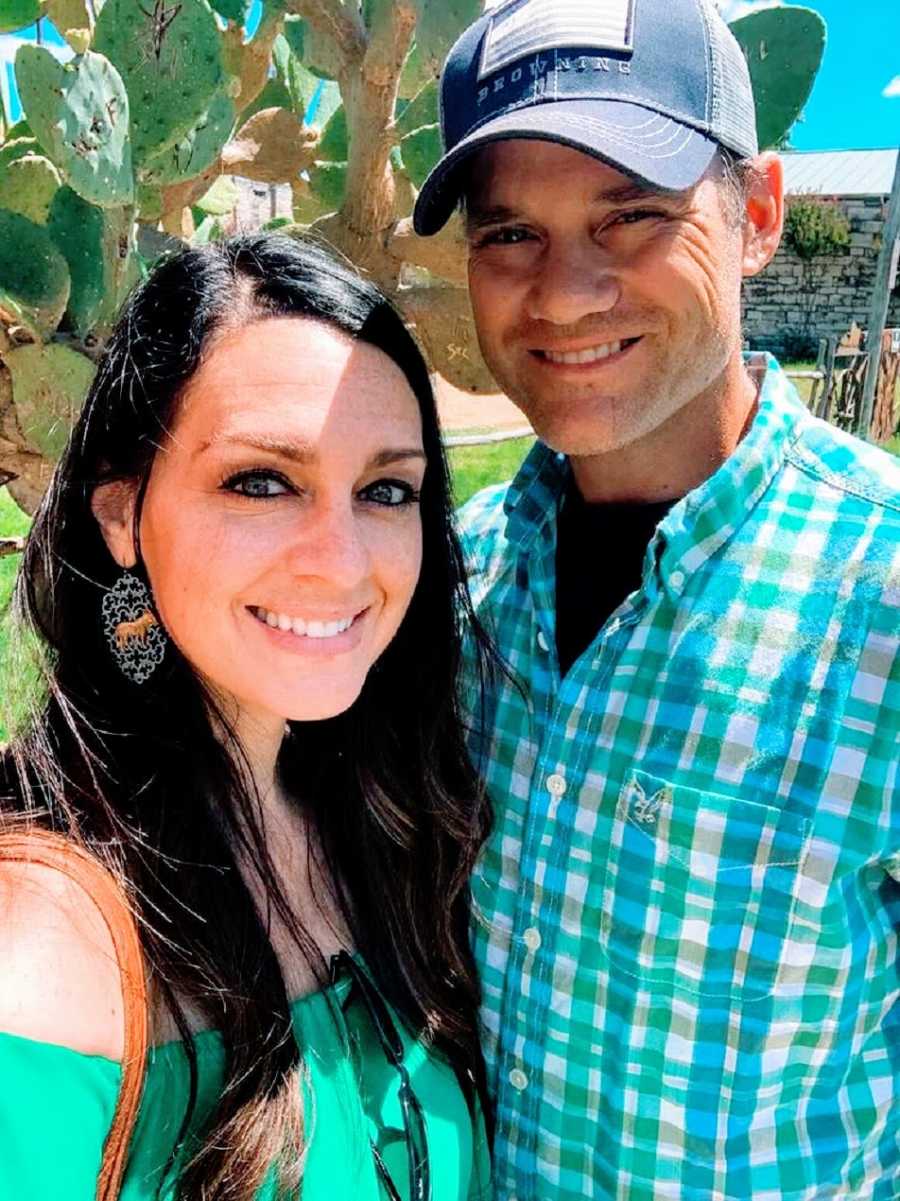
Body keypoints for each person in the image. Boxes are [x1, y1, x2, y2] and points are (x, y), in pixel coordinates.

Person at [412, 1, 900, 1198]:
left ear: (759, 217)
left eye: (631, 215)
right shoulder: (449, 586)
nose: (565, 295)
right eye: (510, 234)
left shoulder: (880, 597)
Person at [0, 234, 494, 1200]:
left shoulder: (384, 823)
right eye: (262, 480)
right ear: (121, 513)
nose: (344, 560)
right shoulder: (43, 952)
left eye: (386, 490)